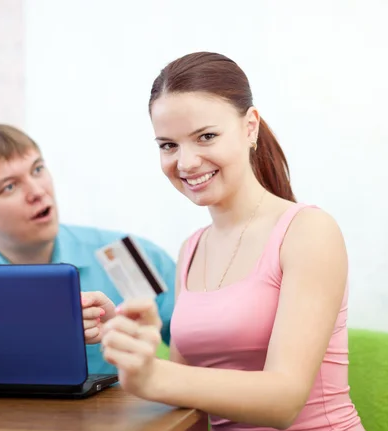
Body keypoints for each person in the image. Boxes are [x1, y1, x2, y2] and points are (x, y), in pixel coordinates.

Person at [98, 52, 365, 430]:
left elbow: (284, 401)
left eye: (205, 136)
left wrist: (153, 375)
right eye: (168, 145)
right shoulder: (191, 249)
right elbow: (190, 396)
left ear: (250, 126)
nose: (186, 162)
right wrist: (123, 334)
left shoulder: (309, 231)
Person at [0, 123, 176, 375]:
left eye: (37, 169)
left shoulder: (124, 255)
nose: (38, 191)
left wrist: (134, 340)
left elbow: (188, 349)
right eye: (9, 187)